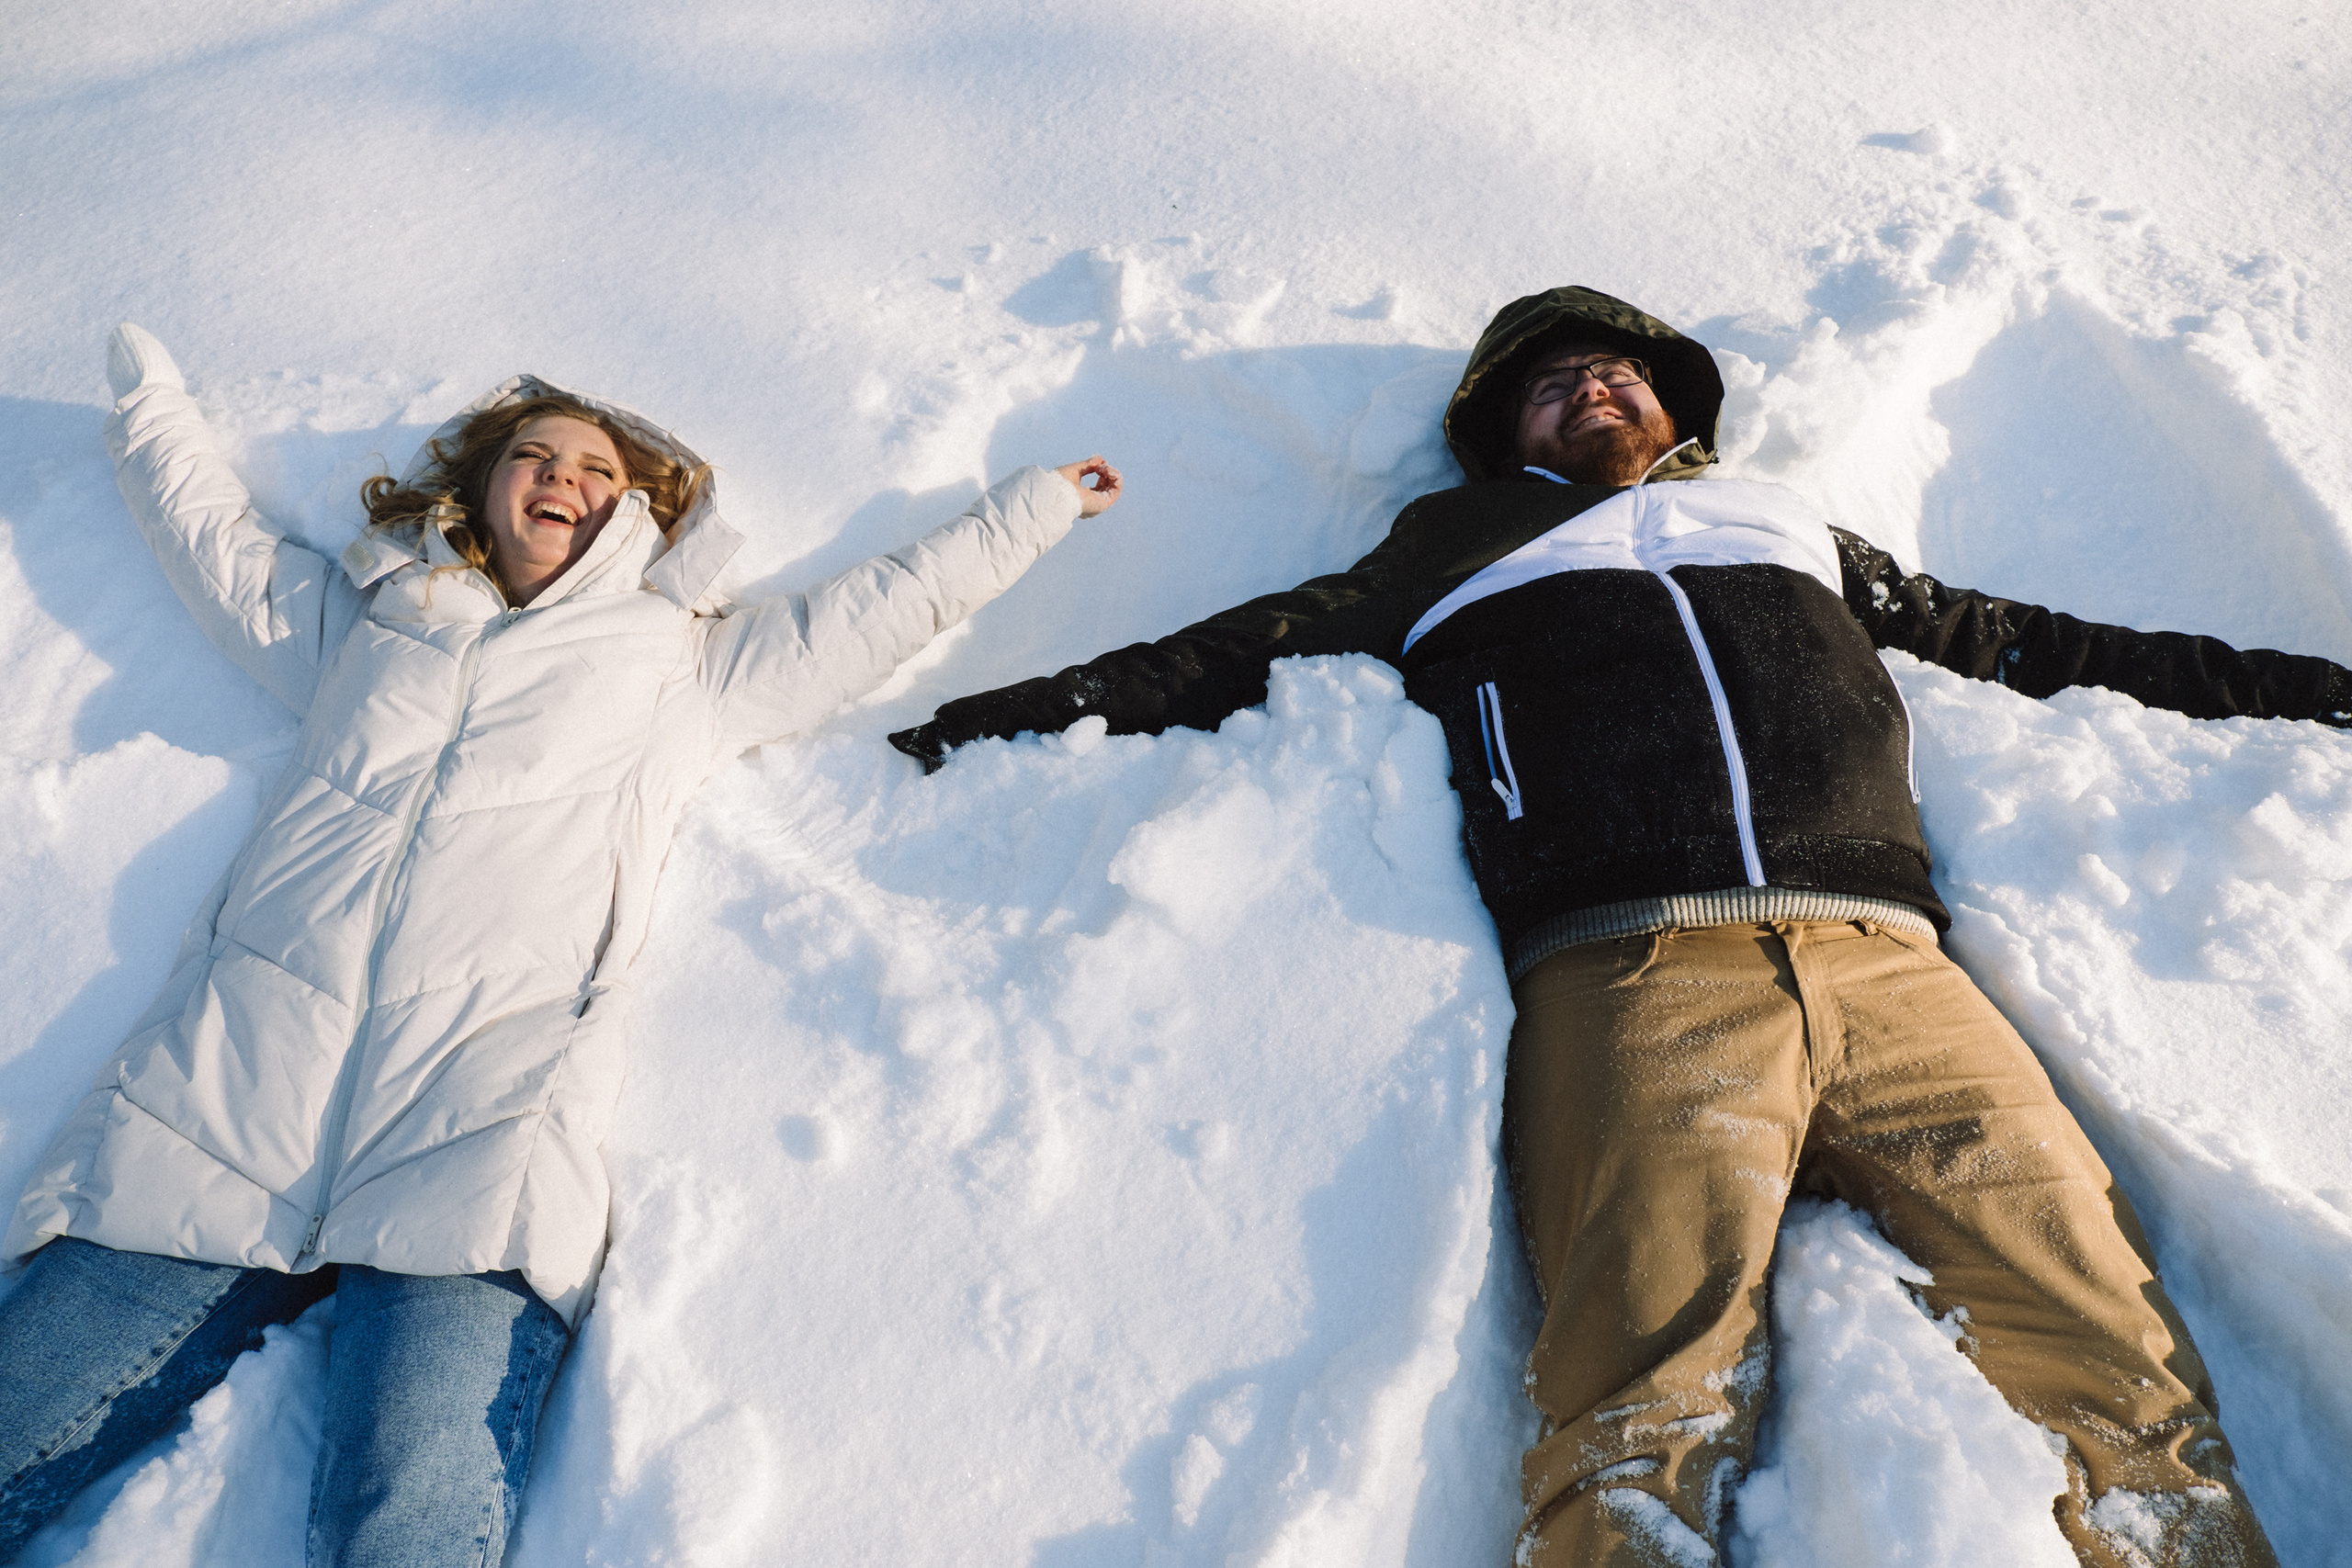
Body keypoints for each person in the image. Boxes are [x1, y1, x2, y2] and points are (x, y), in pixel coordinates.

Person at [888, 287, 2351, 1566]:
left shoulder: (1788, 527)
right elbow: (1216, 655)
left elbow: (2049, 647)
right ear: (1503, 432)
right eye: (1552, 379)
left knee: (2119, 1355)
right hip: (1638, 981)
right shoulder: (1445, 548)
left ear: (1672, 403)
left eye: (1618, 370)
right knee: (1641, 1415)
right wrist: (967, 726)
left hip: (1895, 975)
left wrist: (2318, 686)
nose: (1593, 386)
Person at [0, 323, 1122, 1564]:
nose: (566, 481)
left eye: (601, 474)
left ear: (640, 518)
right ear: (482, 482)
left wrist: (1034, 508)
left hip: (476, 1139)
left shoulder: (680, 666)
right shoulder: (366, 624)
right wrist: (150, 407)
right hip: (219, 1112)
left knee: (414, 1516)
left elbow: (877, 612)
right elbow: (217, 547)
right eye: (538, 456)